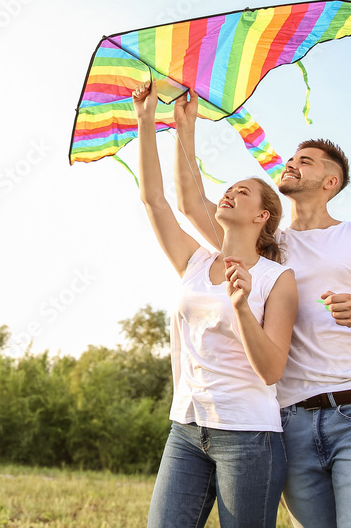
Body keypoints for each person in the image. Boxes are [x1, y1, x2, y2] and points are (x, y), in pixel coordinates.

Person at [173, 93, 351, 528]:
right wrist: (186, 125)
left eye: (305, 160)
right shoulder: (266, 246)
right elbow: (193, 203)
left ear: (332, 181)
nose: (292, 163)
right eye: (291, 157)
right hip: (290, 421)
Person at [131, 84, 299, 528]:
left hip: (248, 436)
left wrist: (242, 307)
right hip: (186, 427)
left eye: (242, 192)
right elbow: (156, 200)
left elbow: (271, 371)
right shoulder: (195, 261)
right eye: (228, 188)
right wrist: (149, 120)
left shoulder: (275, 280)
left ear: (263, 216)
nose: (228, 193)